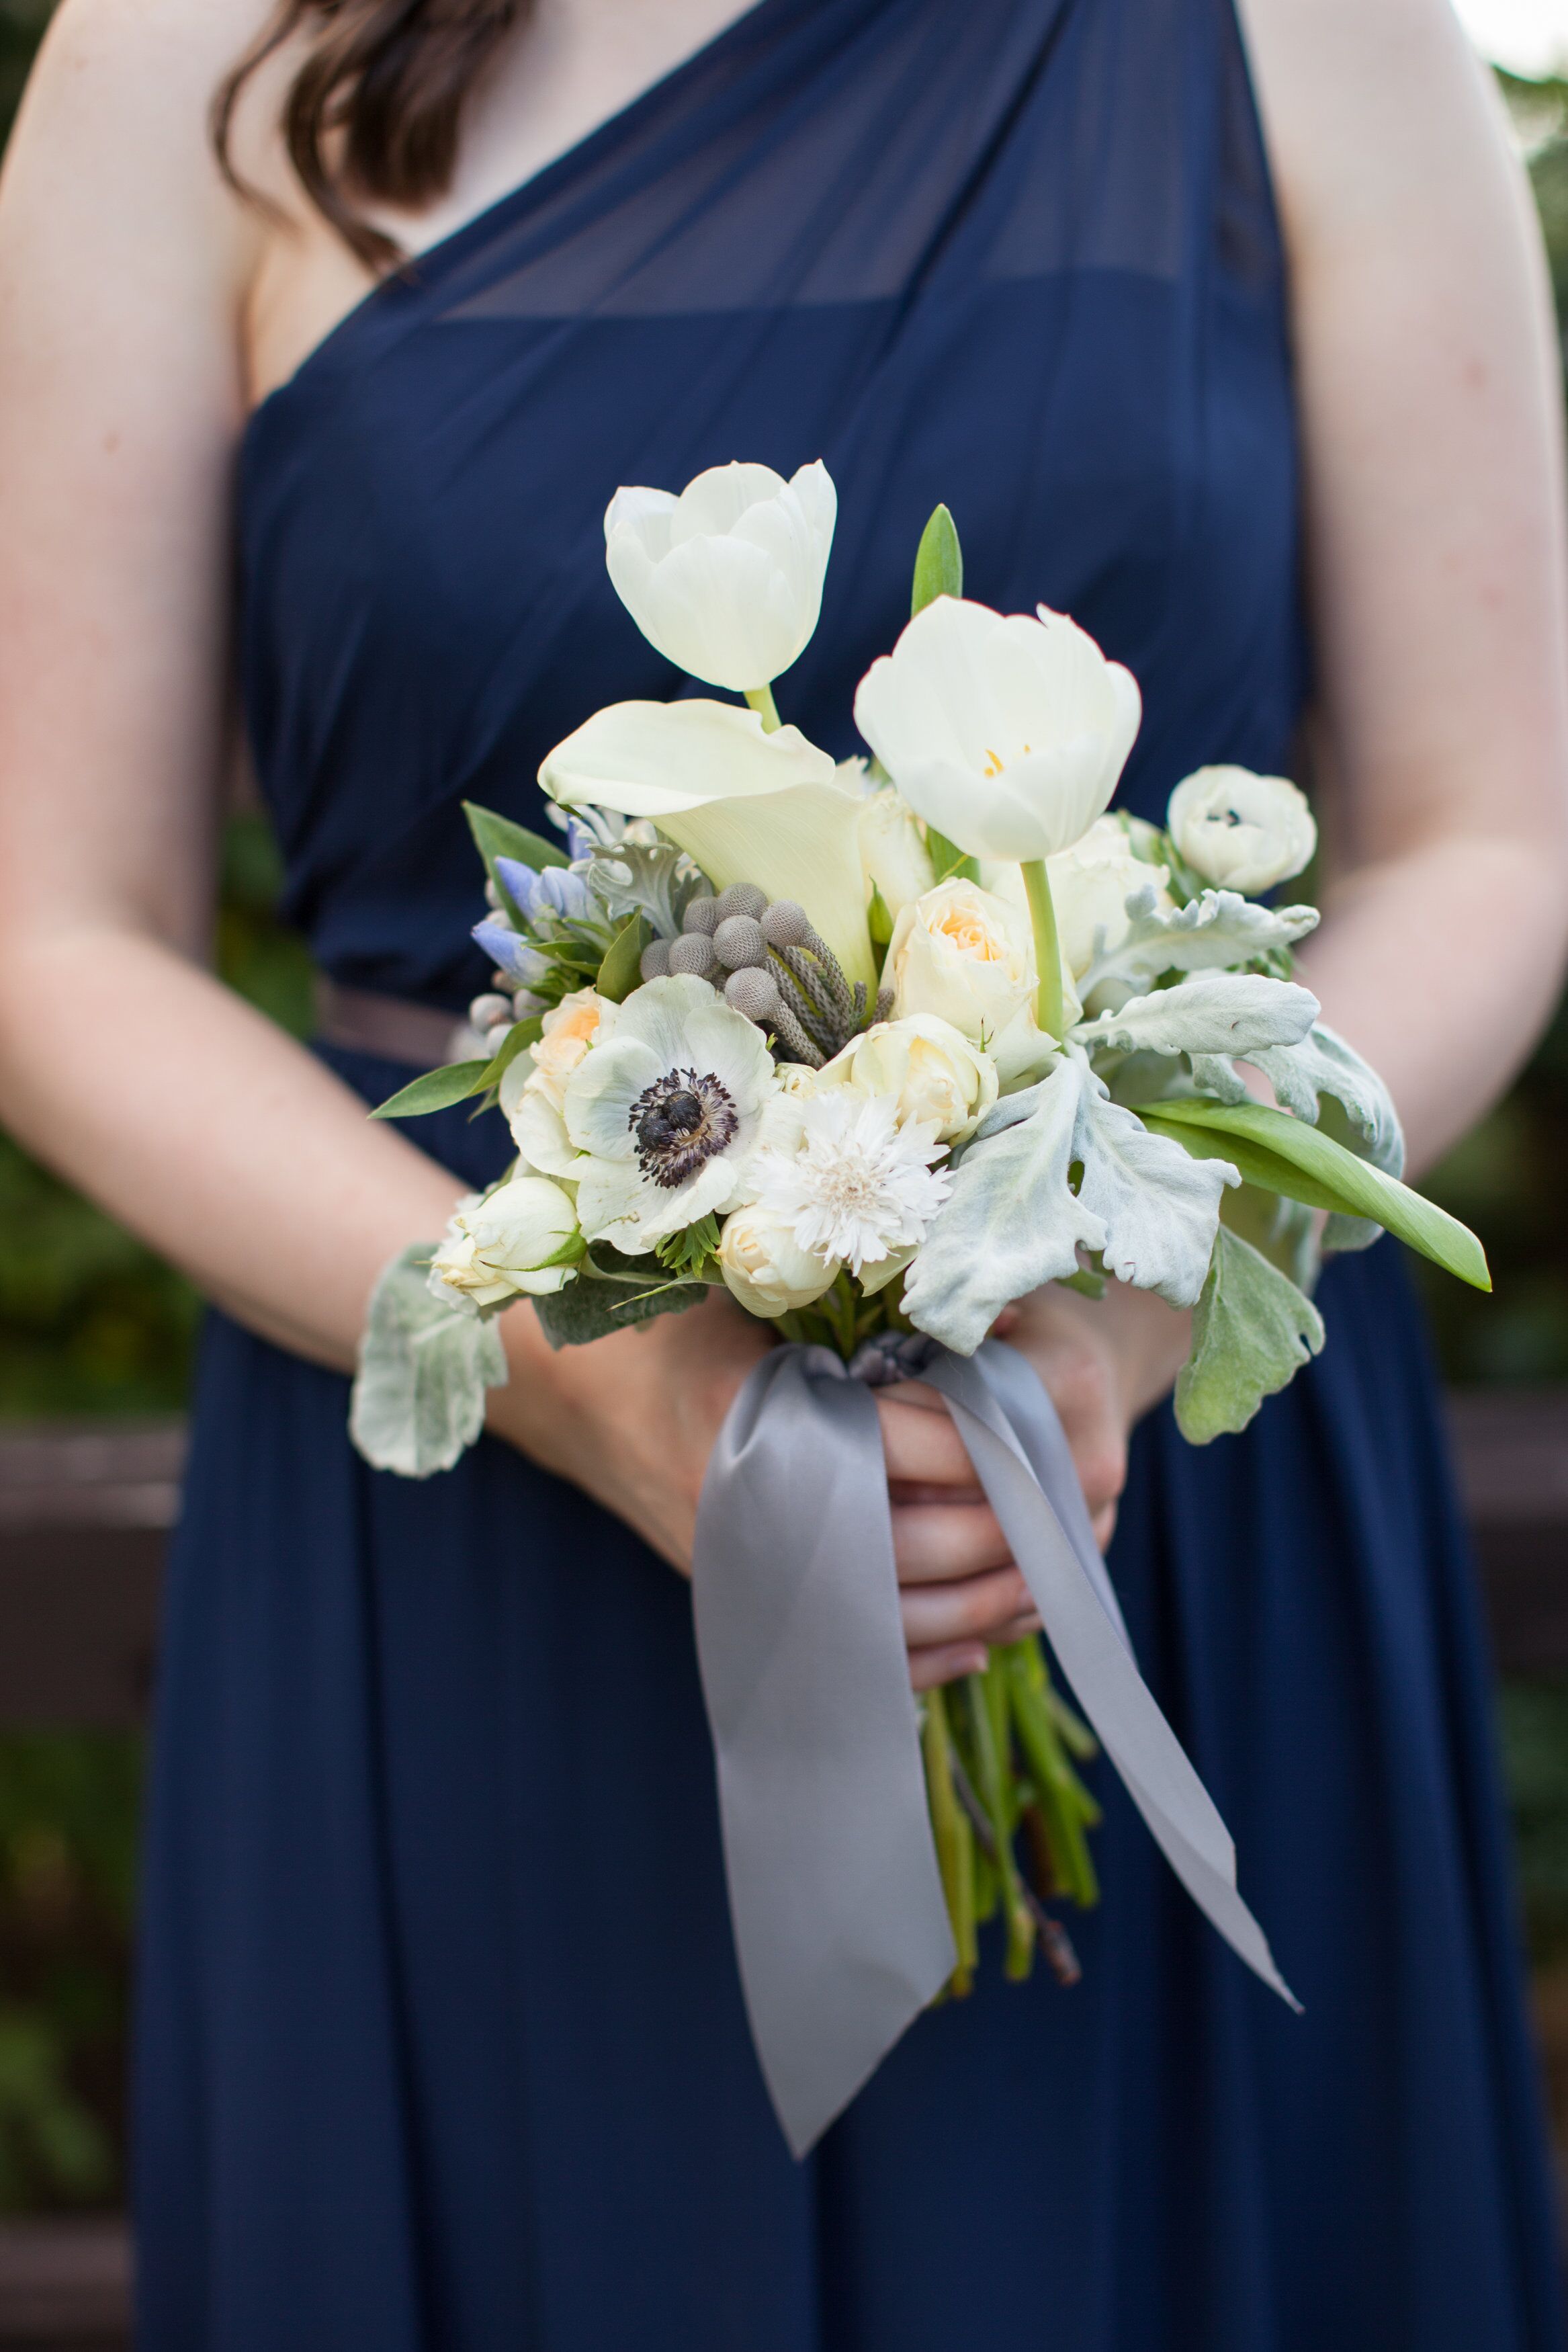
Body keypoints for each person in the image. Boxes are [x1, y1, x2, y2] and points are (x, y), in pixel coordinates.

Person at [0, 0, 1565, 2339]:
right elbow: (44, 929)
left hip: (1165, 1538)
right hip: (473, 1560)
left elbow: (1497, 833)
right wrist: (566, 1367)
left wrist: (1119, 1300)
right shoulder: (182, 52)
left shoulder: (1314, 31)